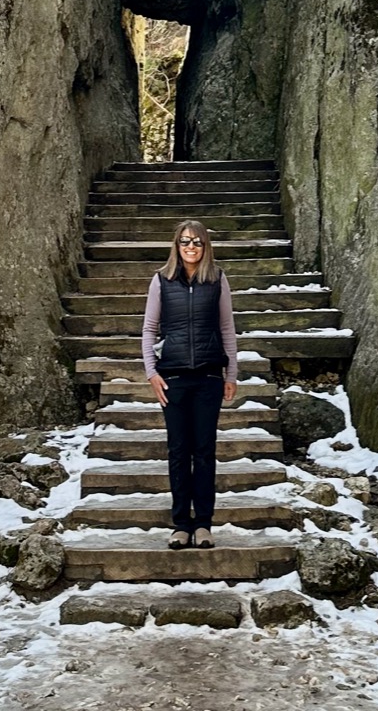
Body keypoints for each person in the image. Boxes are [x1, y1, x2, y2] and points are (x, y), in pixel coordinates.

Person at [141, 218, 240, 550]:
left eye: (197, 242)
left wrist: (231, 374)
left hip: (209, 377)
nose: (191, 247)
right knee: (179, 452)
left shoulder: (217, 280)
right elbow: (149, 329)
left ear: (205, 246)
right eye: (185, 241)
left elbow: (227, 329)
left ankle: (204, 525)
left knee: (205, 452)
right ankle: (181, 524)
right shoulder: (161, 281)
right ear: (176, 245)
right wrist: (152, 372)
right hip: (173, 379)